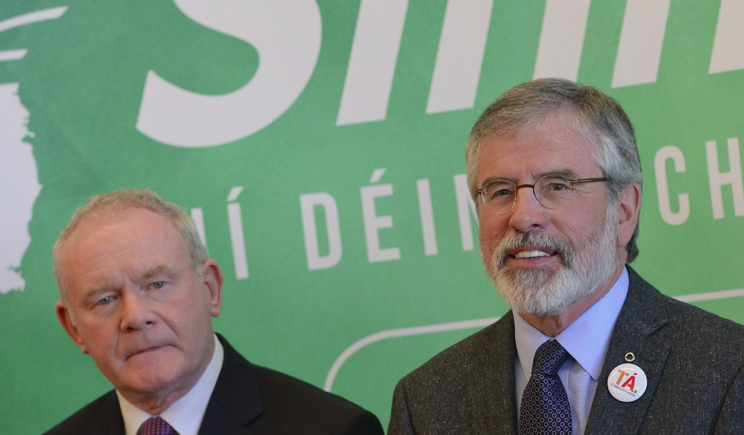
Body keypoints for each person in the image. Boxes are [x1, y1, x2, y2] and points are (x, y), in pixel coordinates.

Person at [388, 78, 744, 434]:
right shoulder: (424, 402)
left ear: (623, 210)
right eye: (500, 191)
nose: (523, 216)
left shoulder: (728, 370)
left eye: (557, 186)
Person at [46, 189, 384, 435]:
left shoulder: (330, 429)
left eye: (157, 284)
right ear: (73, 328)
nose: (135, 317)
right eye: (105, 299)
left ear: (210, 288)